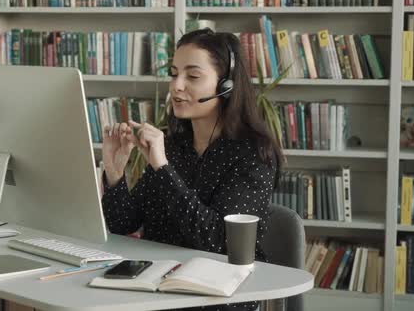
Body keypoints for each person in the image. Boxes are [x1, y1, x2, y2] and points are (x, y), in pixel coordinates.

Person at [101, 28, 283, 311]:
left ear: (226, 85)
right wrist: (115, 174)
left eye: (193, 76)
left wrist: (162, 168)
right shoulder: (173, 146)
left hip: (219, 298)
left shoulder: (254, 155)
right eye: (174, 73)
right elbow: (123, 223)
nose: (177, 86)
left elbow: (216, 241)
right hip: (158, 293)